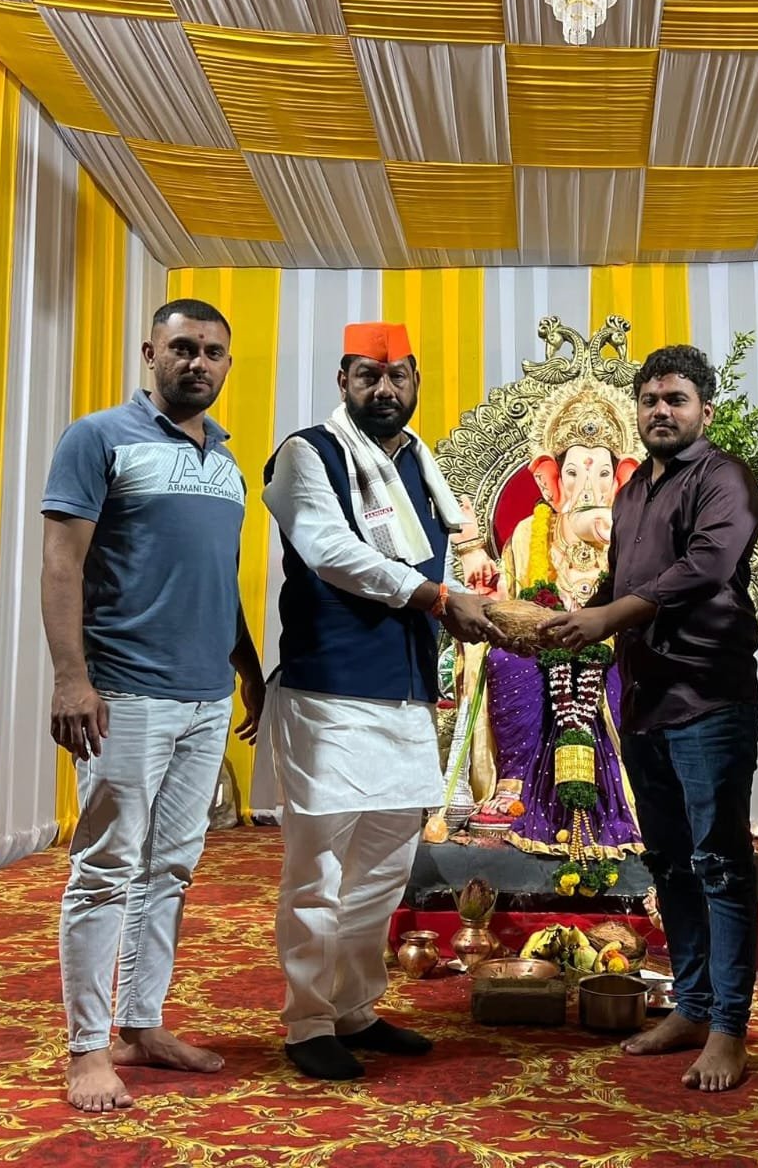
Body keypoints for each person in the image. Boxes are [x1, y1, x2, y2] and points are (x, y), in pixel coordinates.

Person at [41, 299, 266, 1113]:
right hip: (124, 693)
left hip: (205, 696)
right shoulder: (97, 438)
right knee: (106, 868)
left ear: (227, 364)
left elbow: (217, 576)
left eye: (212, 351)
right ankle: (86, 1049)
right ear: (150, 353)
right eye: (183, 348)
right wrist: (72, 678)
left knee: (171, 868)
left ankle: (141, 1025)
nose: (198, 362)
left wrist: (248, 668)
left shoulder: (228, 465)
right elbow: (61, 564)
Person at [261, 321, 501, 1081]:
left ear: (416, 381)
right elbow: (331, 552)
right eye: (368, 375)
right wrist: (438, 598)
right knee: (318, 870)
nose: (384, 389)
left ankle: (354, 1008)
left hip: (404, 693)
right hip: (329, 690)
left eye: (397, 376)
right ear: (343, 382)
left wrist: (484, 606)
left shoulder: (418, 466)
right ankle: (307, 1021)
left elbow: (433, 565)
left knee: (384, 868)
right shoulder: (308, 454)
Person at [542, 343, 758, 1092]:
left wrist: (608, 616)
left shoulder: (724, 478)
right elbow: (621, 578)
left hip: (707, 699)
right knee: (670, 862)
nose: (661, 411)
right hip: (644, 702)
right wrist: (563, 619)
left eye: (676, 399)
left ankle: (730, 1028)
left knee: (720, 864)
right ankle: (693, 1007)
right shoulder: (636, 490)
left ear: (705, 409)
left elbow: (705, 568)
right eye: (650, 400)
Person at [452, 376, 645, 860]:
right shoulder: (528, 533)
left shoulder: (632, 535)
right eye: (574, 473)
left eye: (602, 473)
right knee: (503, 660)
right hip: (539, 647)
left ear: (621, 479)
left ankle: (634, 794)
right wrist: (490, 587)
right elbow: (510, 604)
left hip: (611, 648)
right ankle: (513, 783)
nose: (588, 486)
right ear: (550, 480)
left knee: (631, 666)